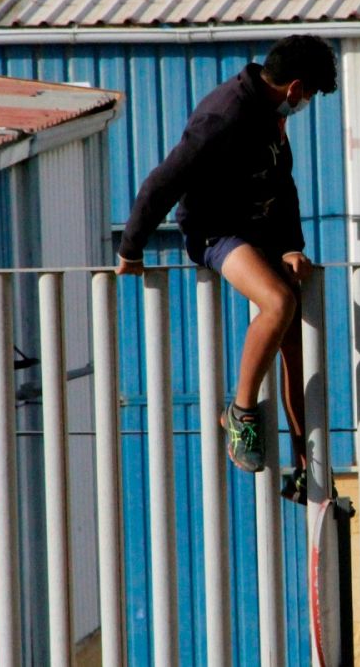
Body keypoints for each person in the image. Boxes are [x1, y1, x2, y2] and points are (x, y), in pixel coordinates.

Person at [117, 35, 337, 497]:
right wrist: (131, 249)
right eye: (311, 95)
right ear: (295, 88)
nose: (308, 104)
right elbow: (163, 182)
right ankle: (241, 412)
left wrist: (292, 246)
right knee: (276, 304)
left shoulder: (270, 108)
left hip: (261, 232)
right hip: (216, 233)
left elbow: (284, 183)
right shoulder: (225, 116)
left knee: (294, 333)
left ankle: (304, 463)